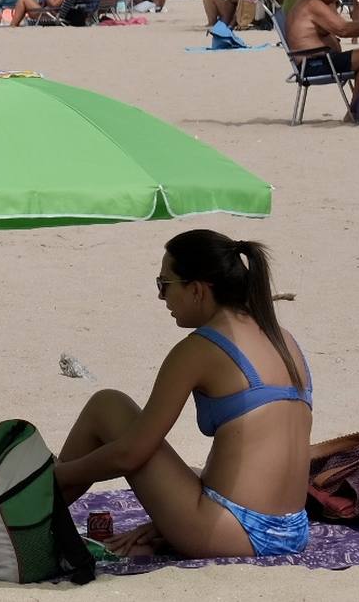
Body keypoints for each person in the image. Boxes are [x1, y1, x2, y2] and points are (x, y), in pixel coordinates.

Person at [54, 230, 313, 559]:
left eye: (165, 284)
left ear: (197, 290)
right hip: (293, 530)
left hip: (233, 531)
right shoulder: (285, 340)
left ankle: (29, 512)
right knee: (187, 470)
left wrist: (58, 475)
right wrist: (170, 518)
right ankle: (38, 507)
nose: (161, 297)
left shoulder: (200, 348)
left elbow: (131, 453)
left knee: (107, 405)